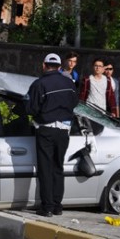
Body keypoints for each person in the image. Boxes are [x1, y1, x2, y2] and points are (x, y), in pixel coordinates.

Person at [25, 53, 79, 217]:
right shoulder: (69, 83)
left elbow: (30, 108)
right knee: (58, 167)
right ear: (59, 66)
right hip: (64, 131)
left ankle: (47, 207)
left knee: (45, 168)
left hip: (46, 130)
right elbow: (75, 103)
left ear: (44, 65)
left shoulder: (39, 84)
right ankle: (57, 206)